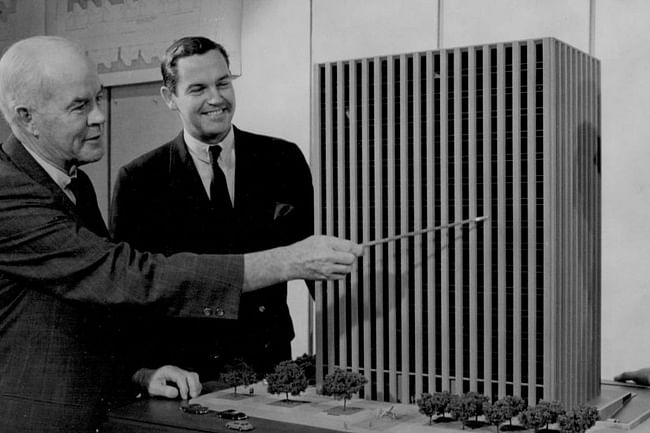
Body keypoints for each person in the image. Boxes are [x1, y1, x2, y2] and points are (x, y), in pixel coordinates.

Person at [0, 35, 362, 433]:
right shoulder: (10, 193)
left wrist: (138, 374)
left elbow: (94, 312)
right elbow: (125, 276)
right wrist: (285, 260)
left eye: (98, 98)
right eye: (79, 106)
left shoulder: (74, 182)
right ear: (27, 117)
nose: (100, 116)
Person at [110, 36, 312, 380]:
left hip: (268, 363)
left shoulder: (283, 159)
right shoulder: (139, 180)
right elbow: (128, 292)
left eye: (223, 83)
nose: (216, 99)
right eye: (198, 89)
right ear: (169, 98)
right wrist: (143, 372)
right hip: (187, 371)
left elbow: (312, 261)